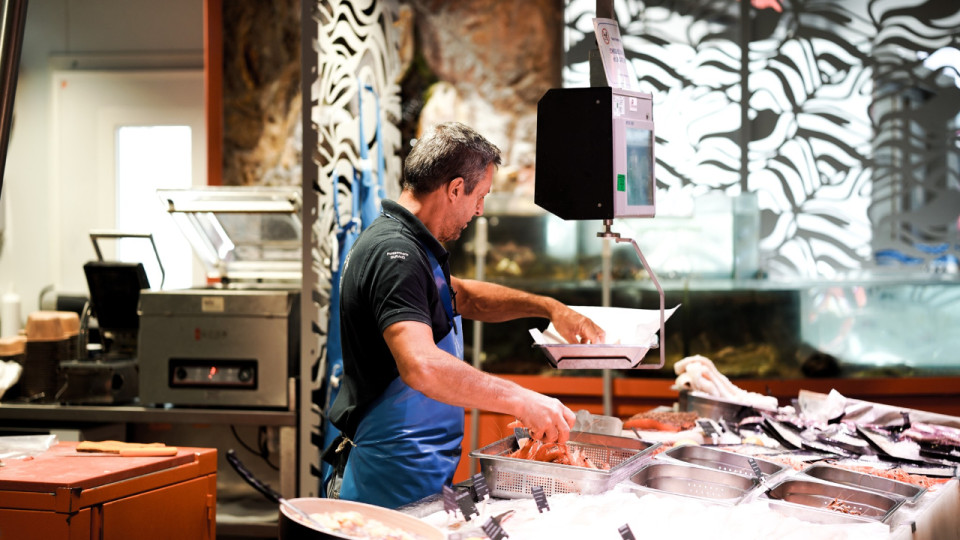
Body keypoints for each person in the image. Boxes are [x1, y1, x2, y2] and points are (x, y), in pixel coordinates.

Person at [323, 121, 606, 509]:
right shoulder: (395, 255)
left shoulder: (412, 245)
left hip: (415, 474)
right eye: (480, 195)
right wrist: (520, 399)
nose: (480, 209)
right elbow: (421, 365)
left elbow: (466, 297)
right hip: (381, 481)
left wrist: (548, 308)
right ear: (455, 188)